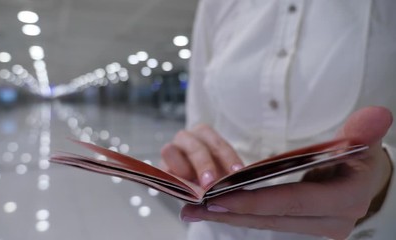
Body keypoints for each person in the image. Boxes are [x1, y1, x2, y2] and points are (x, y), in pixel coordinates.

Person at [160, 1, 396, 239]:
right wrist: (193, 162)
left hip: (357, 231)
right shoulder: (216, 4)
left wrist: (383, 185)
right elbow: (200, 122)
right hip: (218, 229)